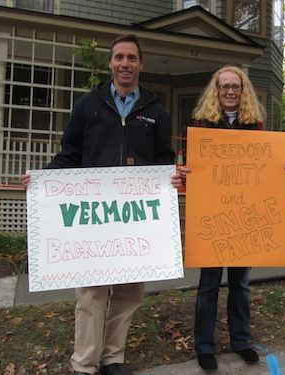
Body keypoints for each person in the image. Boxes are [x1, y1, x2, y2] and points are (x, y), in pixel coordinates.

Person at [22, 34, 175, 375]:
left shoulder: (156, 112)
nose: (125, 63)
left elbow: (165, 160)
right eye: (119, 57)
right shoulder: (88, 105)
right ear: (110, 63)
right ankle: (85, 362)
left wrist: (171, 180)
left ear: (140, 64)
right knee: (91, 293)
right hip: (94, 219)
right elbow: (69, 154)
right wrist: (44, 180)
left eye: (131, 58)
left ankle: (113, 358)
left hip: (135, 219)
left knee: (128, 292)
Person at [171, 65, 285, 372]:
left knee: (240, 285)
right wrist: (182, 175)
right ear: (216, 91)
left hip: (245, 219)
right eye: (224, 87)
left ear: (243, 92)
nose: (229, 92)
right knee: (208, 286)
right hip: (213, 220)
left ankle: (241, 341)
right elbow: (190, 173)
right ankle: (205, 346)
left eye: (235, 87)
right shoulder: (201, 125)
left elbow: (266, 167)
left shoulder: (255, 126)